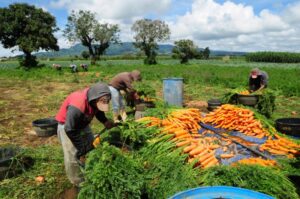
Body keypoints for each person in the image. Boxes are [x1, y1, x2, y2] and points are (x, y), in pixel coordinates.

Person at [55, 82, 115, 187]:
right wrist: (81, 148)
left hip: (82, 122)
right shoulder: (78, 106)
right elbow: (69, 129)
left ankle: (91, 170)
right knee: (73, 155)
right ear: (93, 100)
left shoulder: (95, 98)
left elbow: (98, 111)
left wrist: (105, 121)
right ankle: (79, 182)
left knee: (91, 146)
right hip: (67, 126)